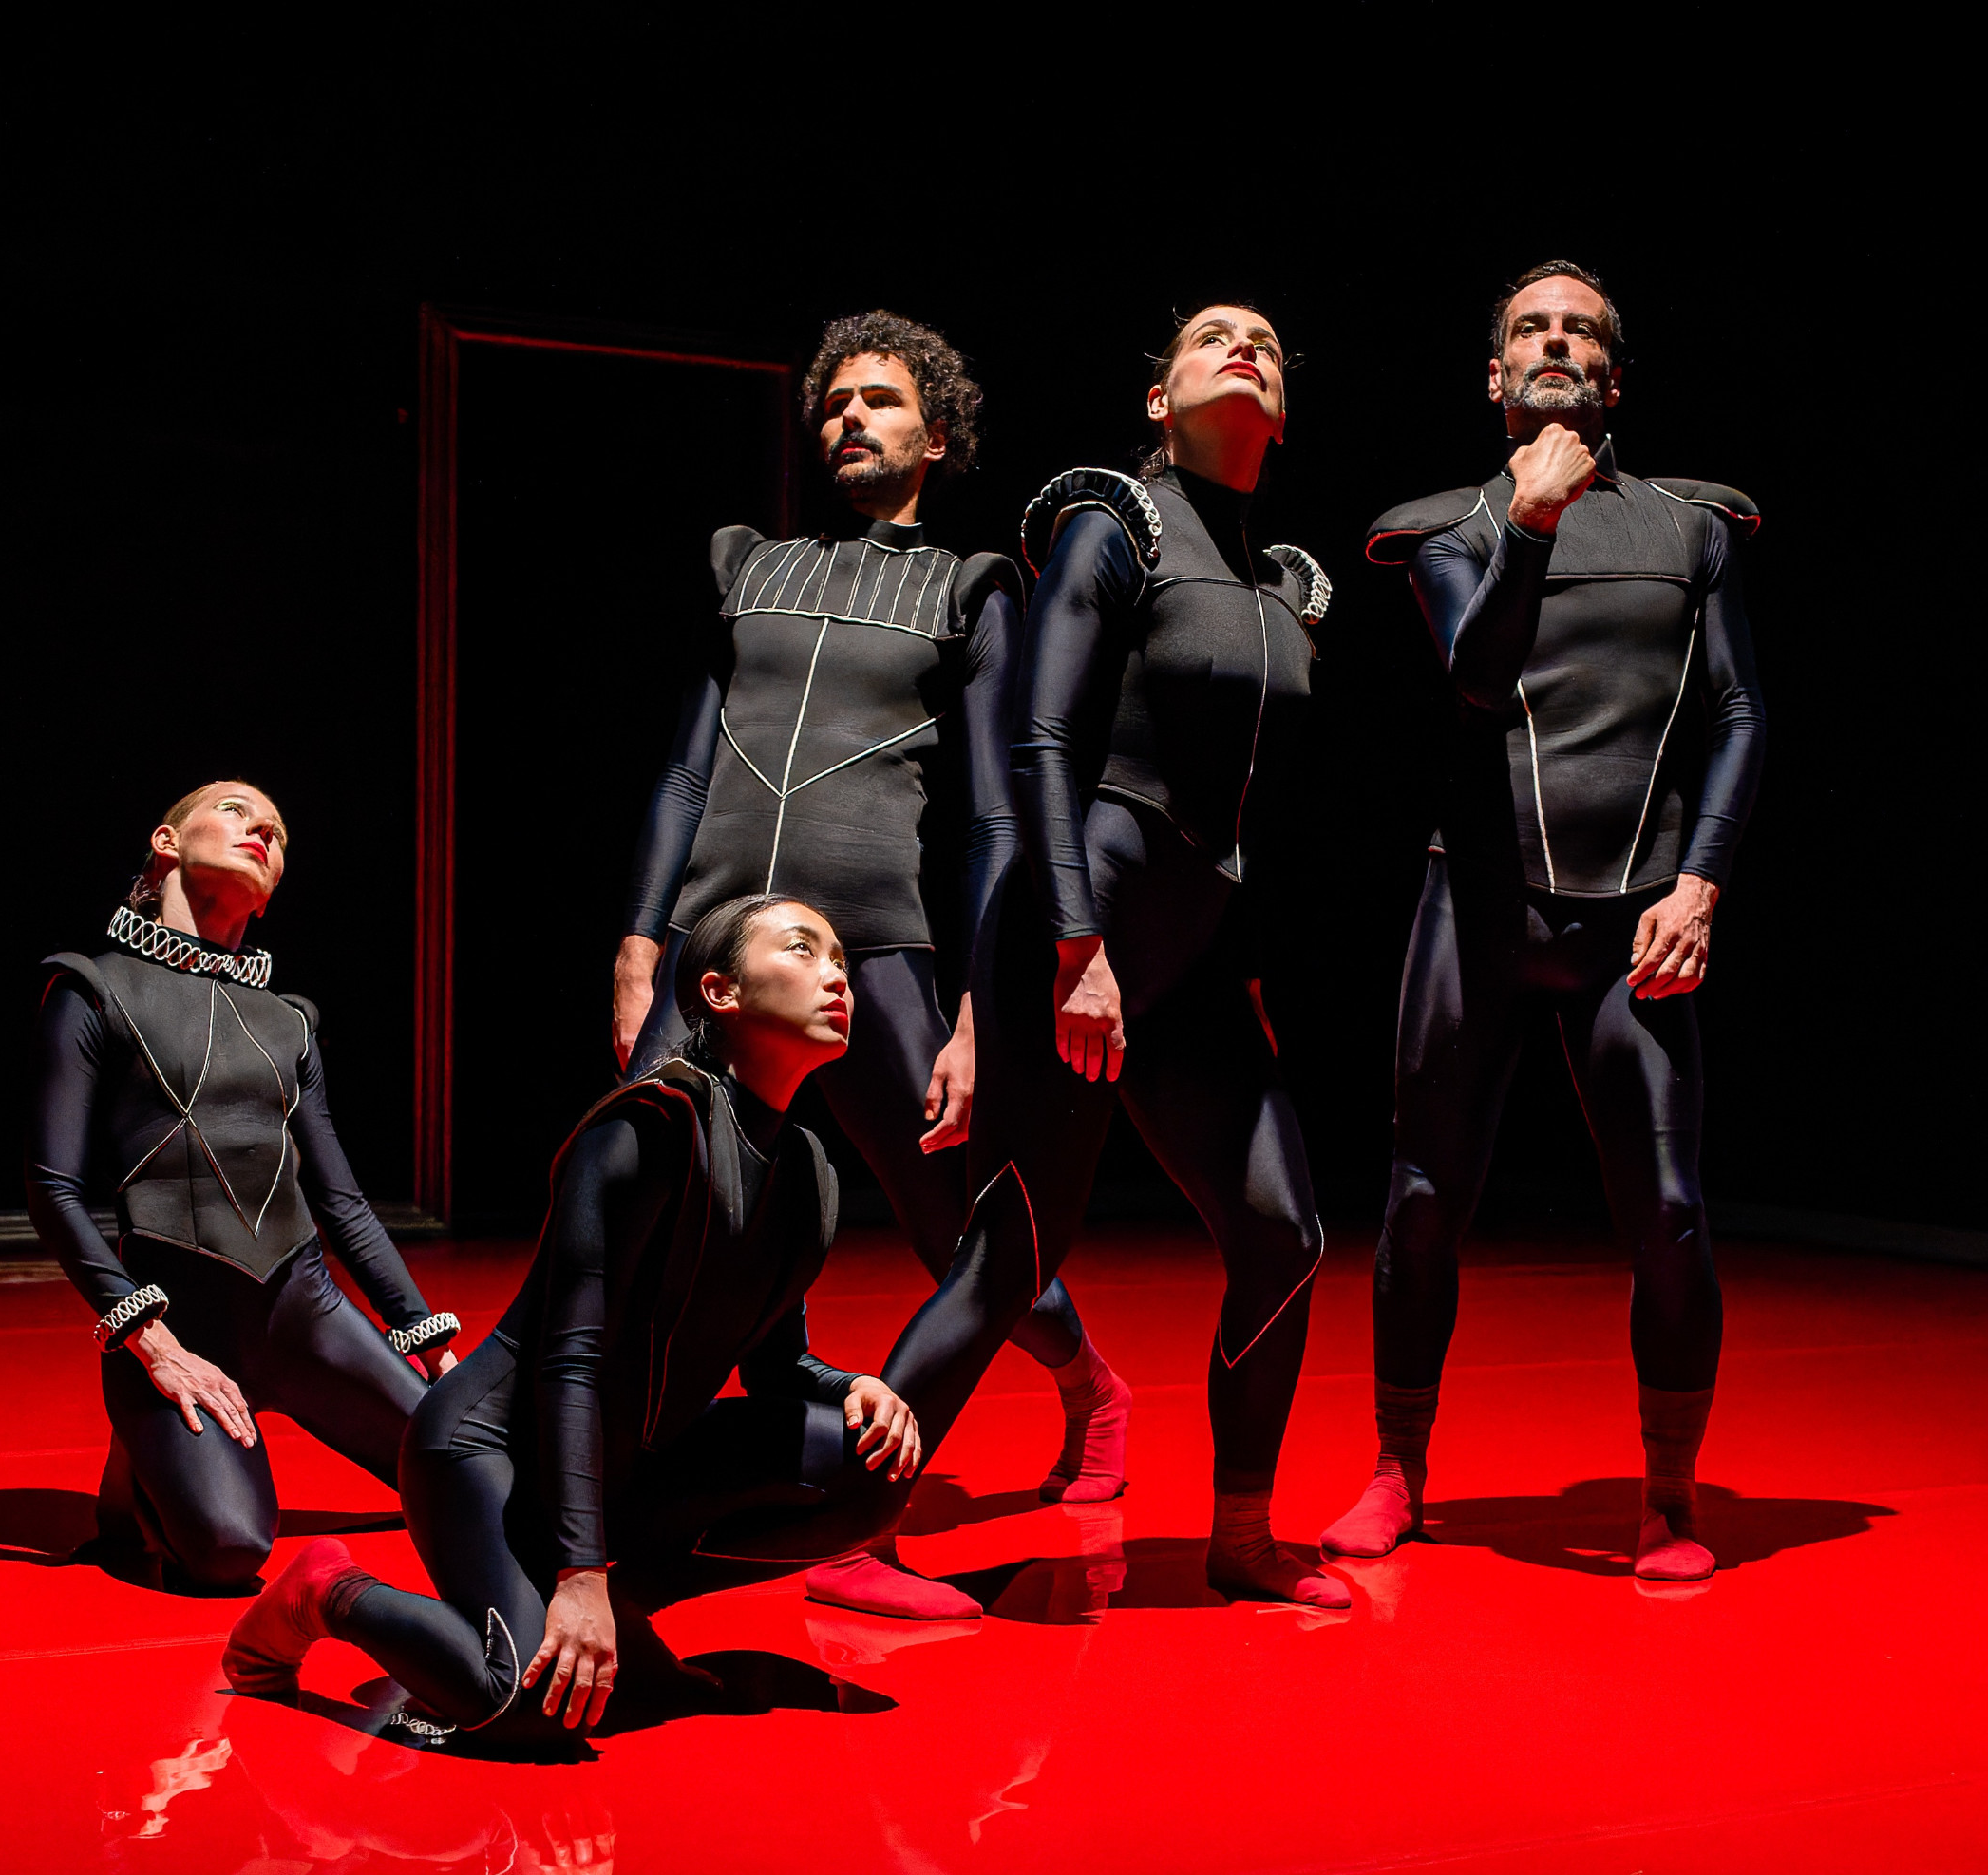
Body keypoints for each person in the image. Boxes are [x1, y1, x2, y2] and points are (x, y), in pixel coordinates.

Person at [613, 311, 1129, 1621]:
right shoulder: (749, 564)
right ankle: (780, 1489)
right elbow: (685, 770)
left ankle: (1086, 1384)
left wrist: (976, 1007)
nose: (851, 416)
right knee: (681, 1219)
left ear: (935, 435)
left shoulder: (969, 587)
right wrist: (639, 939)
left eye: (881, 400)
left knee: (957, 1227)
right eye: (835, 401)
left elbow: (995, 813)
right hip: (712, 953)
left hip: (876, 951)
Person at [880, 304, 1349, 1610]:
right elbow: (1040, 740)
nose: (1244, 346)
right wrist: (1077, 945)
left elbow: (1248, 807)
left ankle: (1241, 1536)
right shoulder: (1116, 522)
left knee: (1284, 1232)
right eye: (1211, 337)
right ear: (1159, 399)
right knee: (1011, 1254)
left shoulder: (1283, 584)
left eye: (1267, 340)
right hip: (1076, 920)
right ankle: (851, 1542)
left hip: (1193, 945)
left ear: (1285, 414)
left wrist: (1239, 971)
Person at [1321, 262, 1766, 1584]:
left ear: (1613, 378)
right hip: (1478, 906)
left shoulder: (1691, 526)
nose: (1556, 342)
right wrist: (1528, 517)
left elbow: (1740, 712)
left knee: (1670, 1210)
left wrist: (1701, 880)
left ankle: (1669, 1496)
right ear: (1496, 374)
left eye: (1580, 331)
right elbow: (1477, 674)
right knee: (1420, 1202)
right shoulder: (1450, 526)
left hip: (1640, 918)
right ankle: (1399, 1468)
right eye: (1532, 328)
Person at [226, 896, 919, 1741]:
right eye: (804, 950)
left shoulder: (808, 1171)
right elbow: (571, 1358)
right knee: (521, 1705)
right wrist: (579, 1571)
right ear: (720, 991)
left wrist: (853, 1387)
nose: (837, 975)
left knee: (874, 1465)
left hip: (629, 1460)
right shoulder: (646, 1126)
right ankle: (328, 1592)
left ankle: (616, 1614)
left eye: (841, 958)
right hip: (487, 1454)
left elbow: (775, 1366)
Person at [26, 781, 459, 1589]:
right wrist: (152, 1344)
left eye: (278, 831)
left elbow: (341, 1201)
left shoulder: (289, 1022)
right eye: (234, 810)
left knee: (471, 1472)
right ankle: (141, 1465)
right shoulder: (90, 988)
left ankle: (150, 1457)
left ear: (269, 894)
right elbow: (52, 1187)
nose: (262, 827)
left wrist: (424, 1337)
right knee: (228, 1551)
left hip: (305, 1317)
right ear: (166, 843)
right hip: (177, 1322)